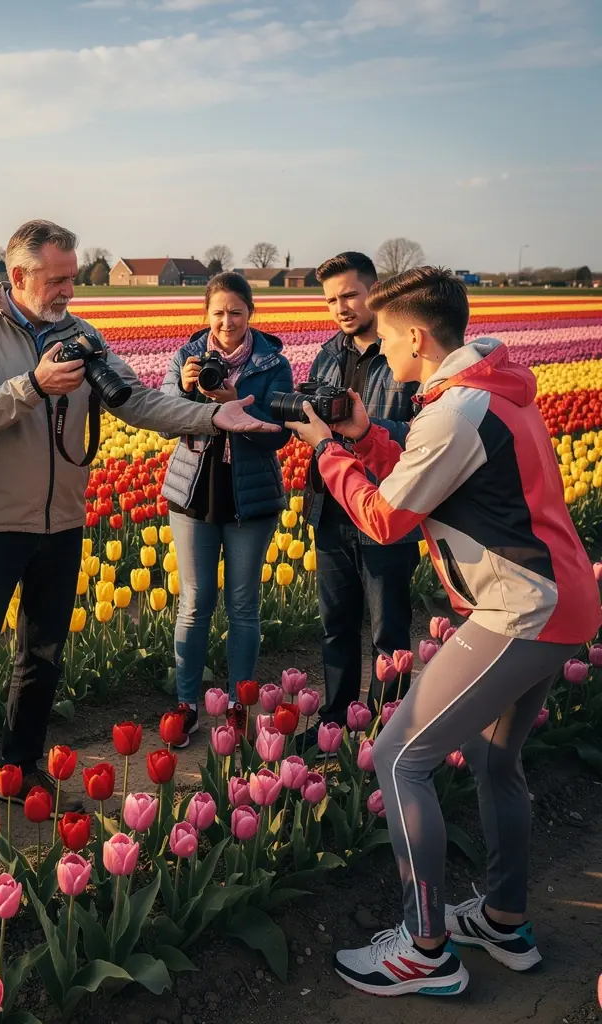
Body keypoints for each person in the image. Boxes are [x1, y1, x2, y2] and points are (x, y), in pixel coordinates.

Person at [0, 220, 279, 868]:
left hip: (61, 521)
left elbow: (136, 401)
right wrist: (32, 387)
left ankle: (22, 771)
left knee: (41, 657)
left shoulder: (82, 334)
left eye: (72, 278)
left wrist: (210, 415)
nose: (68, 290)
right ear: (18, 276)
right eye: (57, 279)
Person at [291, 266, 601, 997]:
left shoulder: (457, 411)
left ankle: (425, 947)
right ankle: (503, 918)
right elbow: (431, 479)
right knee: (495, 760)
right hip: (561, 600)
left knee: (398, 758)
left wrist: (328, 451)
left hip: (522, 609)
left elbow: (385, 519)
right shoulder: (491, 392)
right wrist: (366, 437)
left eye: (386, 336)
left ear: (416, 337)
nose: (380, 350)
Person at [160, 272, 293, 744]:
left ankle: (238, 703)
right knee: (194, 602)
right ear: (206, 314)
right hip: (194, 492)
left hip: (249, 496)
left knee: (242, 604)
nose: (227, 321)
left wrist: (237, 404)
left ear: (250, 312)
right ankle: (187, 704)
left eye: (236, 311)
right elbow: (163, 420)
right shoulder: (186, 357)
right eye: (218, 312)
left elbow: (280, 433)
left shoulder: (273, 363)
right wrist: (184, 390)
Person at [306, 252, 421, 732]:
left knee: (388, 632)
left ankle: (384, 729)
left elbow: (424, 433)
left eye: (350, 295)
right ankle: (335, 723)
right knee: (336, 626)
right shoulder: (327, 355)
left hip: (385, 511)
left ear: (374, 291)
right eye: (331, 300)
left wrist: (365, 430)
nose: (341, 308)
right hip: (331, 508)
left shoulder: (404, 357)